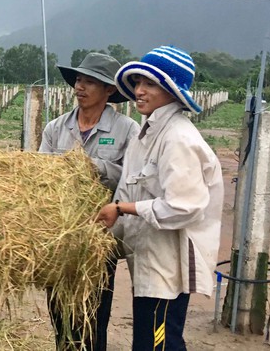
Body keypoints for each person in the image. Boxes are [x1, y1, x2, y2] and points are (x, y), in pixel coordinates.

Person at [97, 46, 224, 351]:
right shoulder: (149, 132)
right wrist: (101, 237)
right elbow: (130, 187)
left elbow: (185, 208)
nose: (140, 91)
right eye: (138, 82)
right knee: (146, 341)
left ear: (172, 91)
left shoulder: (178, 138)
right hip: (150, 262)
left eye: (150, 84)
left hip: (167, 269)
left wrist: (121, 208)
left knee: (159, 344)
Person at [39, 52, 140, 350]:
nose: (80, 87)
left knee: (94, 316)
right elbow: (41, 176)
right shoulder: (56, 128)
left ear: (109, 90)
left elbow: (133, 181)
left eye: (90, 82)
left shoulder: (127, 130)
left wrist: (96, 167)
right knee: (59, 313)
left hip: (99, 238)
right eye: (79, 80)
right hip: (60, 237)